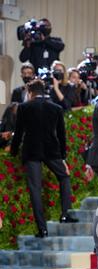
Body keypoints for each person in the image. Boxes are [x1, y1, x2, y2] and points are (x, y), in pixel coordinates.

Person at [10, 79, 78, 238]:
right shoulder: (56, 108)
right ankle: (65, 214)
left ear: (29, 92)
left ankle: (42, 229)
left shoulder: (23, 107)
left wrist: (13, 152)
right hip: (51, 150)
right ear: (44, 91)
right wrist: (63, 157)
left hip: (32, 151)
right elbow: (62, 135)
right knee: (64, 176)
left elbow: (18, 133)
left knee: (35, 189)